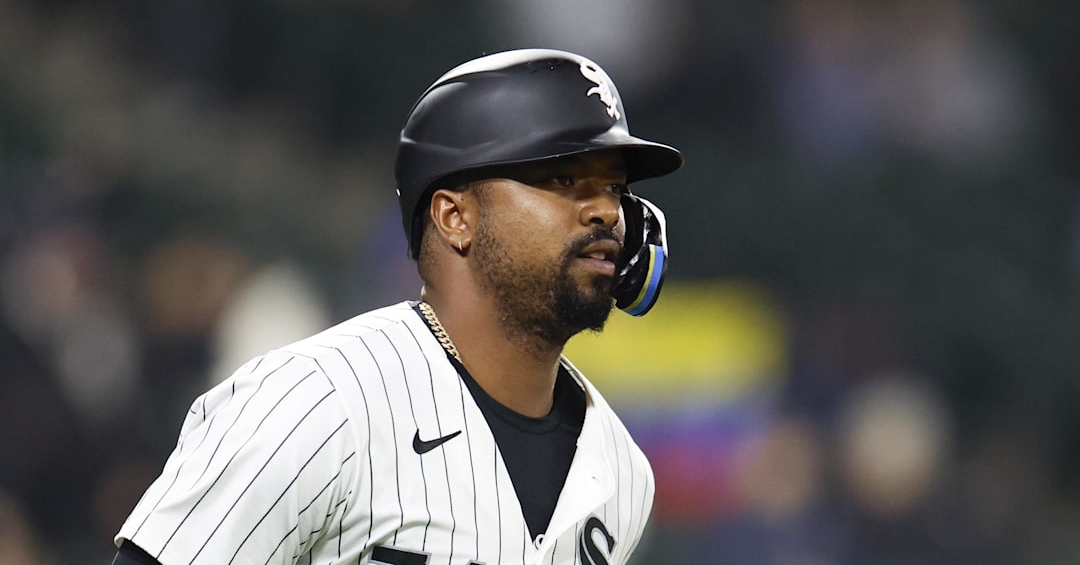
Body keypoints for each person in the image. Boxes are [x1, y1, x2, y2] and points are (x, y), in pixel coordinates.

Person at [111, 48, 684, 565]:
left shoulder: (621, 471)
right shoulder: (316, 401)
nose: (605, 213)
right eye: (562, 178)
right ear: (455, 217)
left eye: (612, 187)